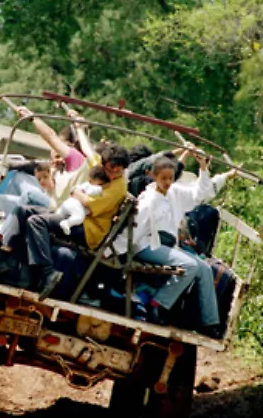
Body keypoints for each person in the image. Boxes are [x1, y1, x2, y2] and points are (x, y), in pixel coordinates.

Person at [114, 154, 238, 338]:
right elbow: (135, 230)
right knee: (190, 265)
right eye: (163, 178)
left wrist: (203, 169)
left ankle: (210, 322)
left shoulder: (174, 192)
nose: (167, 182)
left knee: (203, 268)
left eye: (170, 178)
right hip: (147, 245)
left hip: (167, 246)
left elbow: (199, 193)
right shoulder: (148, 199)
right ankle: (158, 306)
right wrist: (114, 250)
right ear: (154, 176)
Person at [25, 142, 130, 298]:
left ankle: (48, 274)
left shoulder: (119, 187)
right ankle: (13, 261)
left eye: (118, 171)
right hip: (77, 216)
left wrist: (76, 191)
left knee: (36, 222)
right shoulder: (101, 167)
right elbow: (89, 151)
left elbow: (89, 203)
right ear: (103, 164)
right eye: (109, 170)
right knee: (25, 211)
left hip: (89, 229)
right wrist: (78, 127)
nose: (112, 175)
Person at [56, 165, 110, 236]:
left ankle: (55, 216)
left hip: (68, 203)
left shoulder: (84, 185)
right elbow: (94, 192)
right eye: (100, 184)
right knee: (79, 217)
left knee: (59, 214)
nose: (101, 186)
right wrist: (103, 188)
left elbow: (74, 189)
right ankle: (67, 223)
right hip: (76, 206)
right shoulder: (94, 188)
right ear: (90, 180)